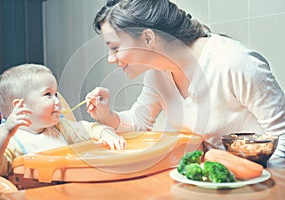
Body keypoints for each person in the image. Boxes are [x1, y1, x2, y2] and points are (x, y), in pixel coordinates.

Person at [85, 0, 285, 167]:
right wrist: (106, 115)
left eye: (115, 48)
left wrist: (259, 181)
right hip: (215, 180)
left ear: (148, 38)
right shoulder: (157, 75)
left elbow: (282, 137)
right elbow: (139, 122)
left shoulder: (233, 62)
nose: (111, 59)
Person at [0, 64, 126, 177]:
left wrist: (106, 134)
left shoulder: (61, 128)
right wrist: (5, 132)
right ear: (20, 106)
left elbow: (90, 128)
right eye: (48, 94)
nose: (57, 100)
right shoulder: (12, 143)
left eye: (56, 94)